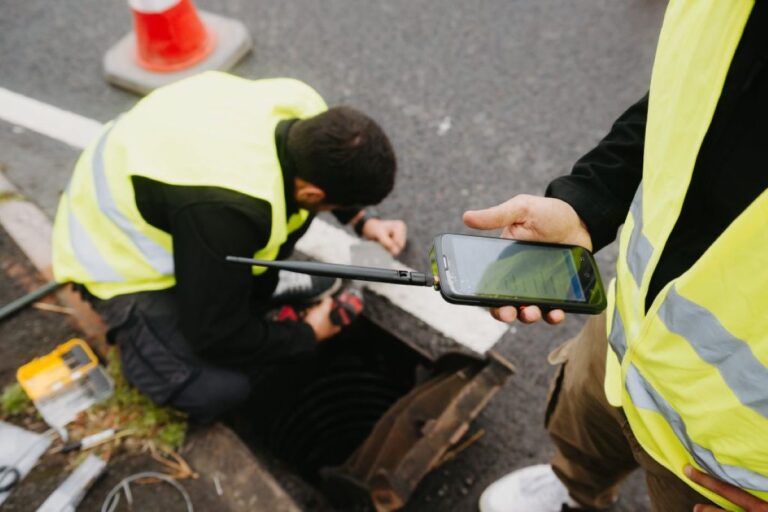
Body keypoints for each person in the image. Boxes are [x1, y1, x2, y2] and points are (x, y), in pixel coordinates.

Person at [465, 1, 768, 511]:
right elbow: (682, 101)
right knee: (583, 437)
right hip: (625, 331)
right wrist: (588, 203)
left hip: (725, 469)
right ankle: (576, 490)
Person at [51, 71, 407, 422]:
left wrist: (363, 220)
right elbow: (213, 335)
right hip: (110, 255)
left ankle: (253, 291)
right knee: (216, 390)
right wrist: (308, 334)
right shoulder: (227, 211)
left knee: (269, 240)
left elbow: (320, 176)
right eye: (334, 204)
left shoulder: (305, 109)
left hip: (161, 178)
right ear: (315, 192)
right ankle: (145, 353)